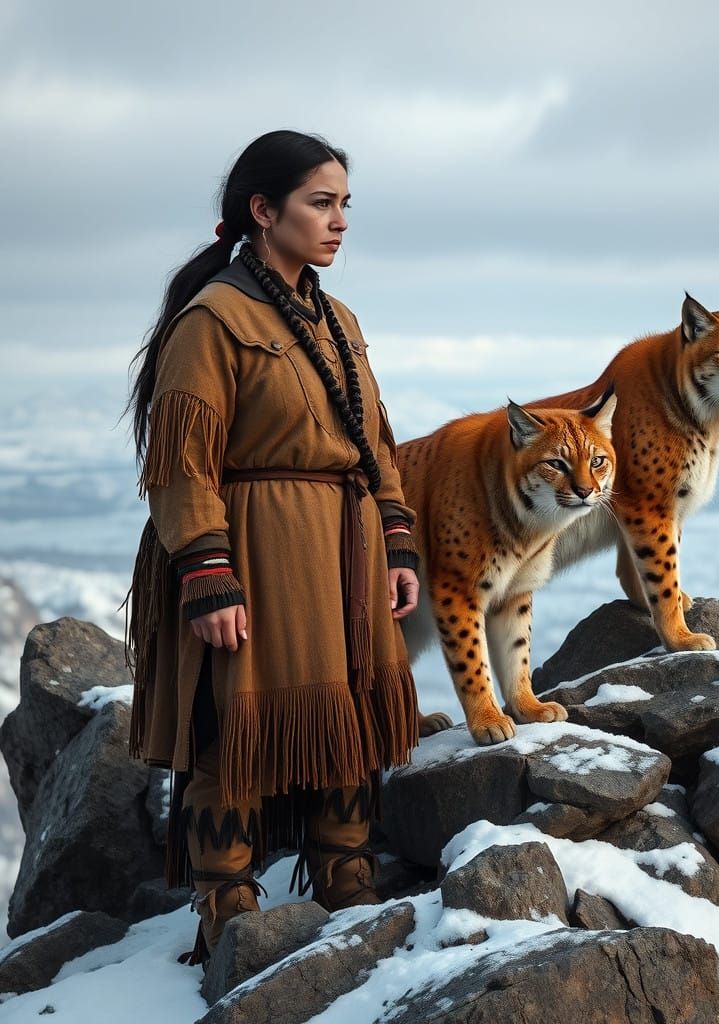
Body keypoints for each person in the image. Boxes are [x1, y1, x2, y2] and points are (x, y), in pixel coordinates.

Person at [122, 130, 441, 967]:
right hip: (257, 548)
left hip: (347, 547)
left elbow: (376, 441)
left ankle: (347, 890)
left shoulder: (340, 320)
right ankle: (228, 917)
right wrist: (207, 569)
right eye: (320, 203)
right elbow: (180, 460)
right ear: (263, 212)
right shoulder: (214, 318)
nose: (339, 223)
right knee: (240, 724)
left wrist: (397, 540)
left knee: (345, 720)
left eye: (345, 206)